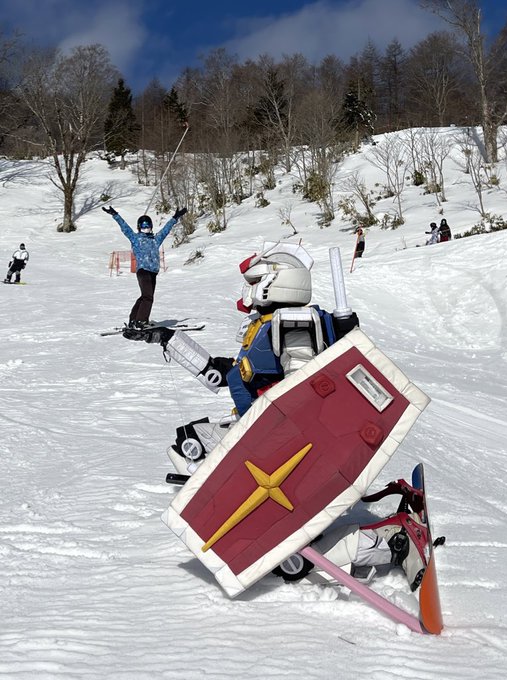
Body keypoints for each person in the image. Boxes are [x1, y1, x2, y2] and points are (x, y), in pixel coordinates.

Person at [122, 241, 432, 591]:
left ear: (276, 281)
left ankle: (389, 541)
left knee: (292, 559)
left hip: (285, 446)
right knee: (188, 444)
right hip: (265, 434)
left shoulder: (292, 322)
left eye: (255, 282)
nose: (249, 292)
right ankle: (240, 514)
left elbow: (303, 390)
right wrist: (169, 341)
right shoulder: (268, 323)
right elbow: (230, 375)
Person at [102, 205, 187, 328]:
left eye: (148, 225)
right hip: (143, 271)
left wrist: (175, 217)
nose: (146, 228)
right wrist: (115, 214)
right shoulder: (135, 239)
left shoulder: (155, 240)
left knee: (145, 297)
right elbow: (125, 228)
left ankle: (133, 320)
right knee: (148, 297)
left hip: (153, 272)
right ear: (139, 227)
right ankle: (141, 321)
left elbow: (166, 230)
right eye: (143, 225)